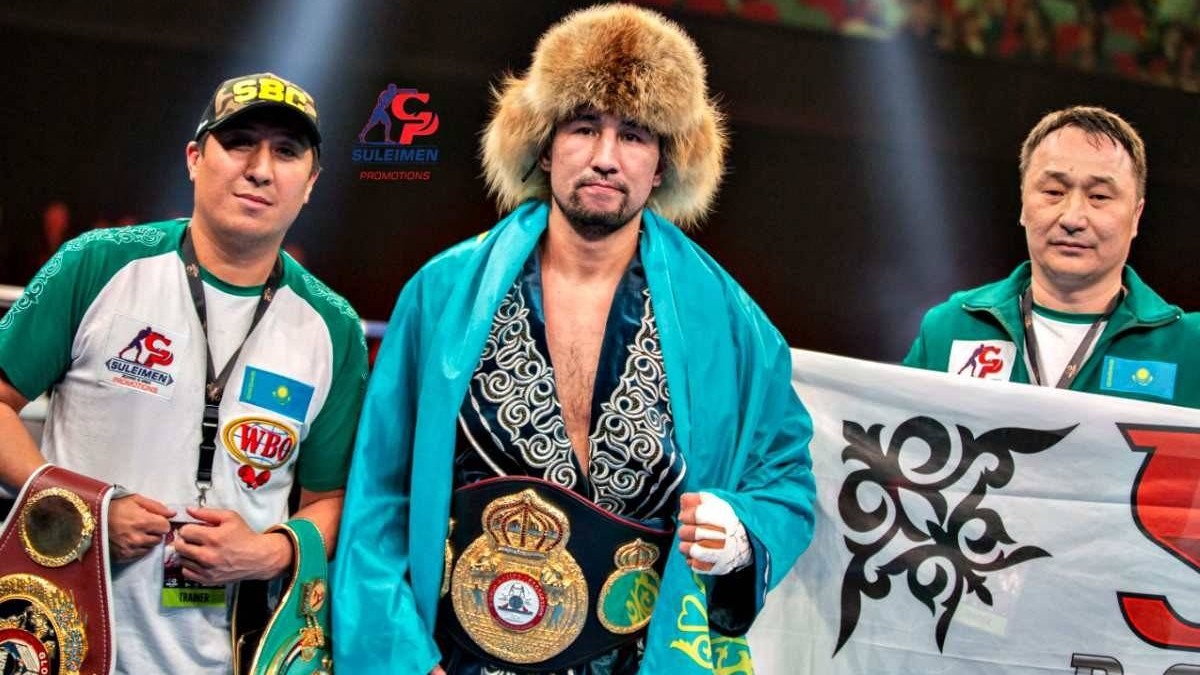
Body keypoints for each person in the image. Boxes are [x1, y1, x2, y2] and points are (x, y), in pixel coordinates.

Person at [333, 5, 816, 674]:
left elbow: (786, 478)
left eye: (634, 136)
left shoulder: (731, 324)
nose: (605, 158)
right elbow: (379, 495)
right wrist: (403, 661)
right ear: (544, 145)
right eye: (585, 127)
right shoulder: (441, 294)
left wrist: (743, 532)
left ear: (663, 164)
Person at [0, 71, 368, 673]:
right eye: (240, 142)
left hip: (232, 654)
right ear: (195, 158)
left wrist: (268, 552)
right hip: (59, 641)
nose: (260, 169)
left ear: (311, 184)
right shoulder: (97, 263)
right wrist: (83, 509)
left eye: (286, 152)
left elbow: (331, 499)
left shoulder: (334, 328)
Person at [905, 105, 1200, 406]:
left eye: (1099, 196)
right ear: (1023, 203)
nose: (1072, 218)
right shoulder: (949, 328)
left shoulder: (1191, 348)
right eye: (1053, 192)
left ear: (1136, 216)